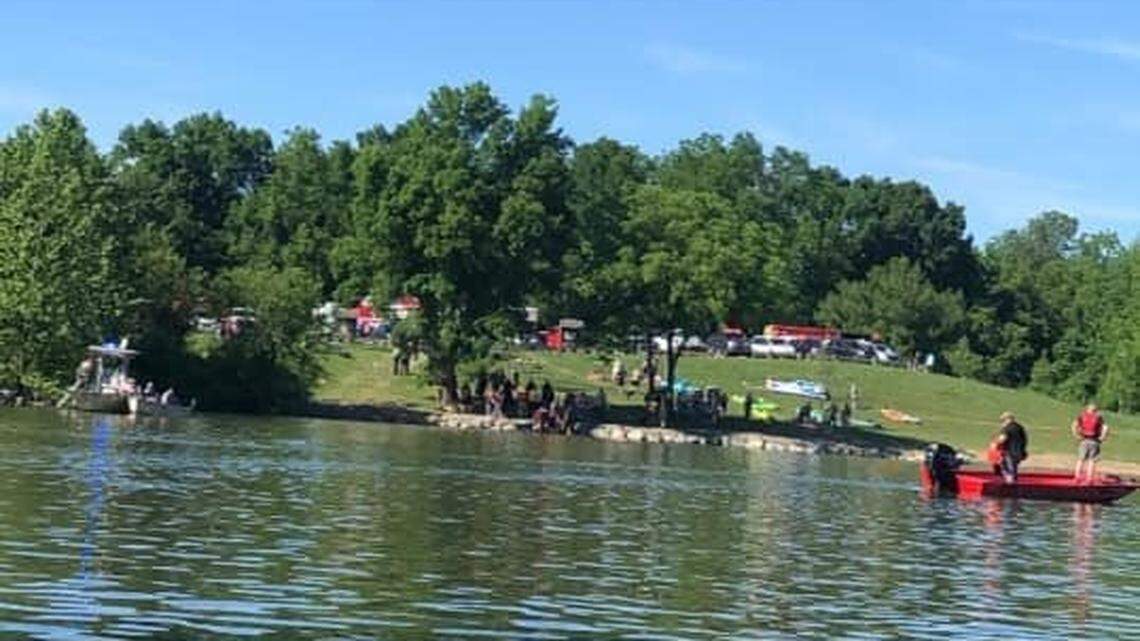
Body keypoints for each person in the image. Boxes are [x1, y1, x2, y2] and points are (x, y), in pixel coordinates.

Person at [1072, 403, 1109, 483]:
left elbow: (1074, 425)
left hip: (1084, 440)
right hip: (1094, 441)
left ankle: (1077, 477)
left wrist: (1076, 435)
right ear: (1095, 410)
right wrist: (1103, 437)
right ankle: (1089, 479)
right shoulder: (1098, 417)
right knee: (1092, 461)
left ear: (1087, 409)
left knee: (1080, 459)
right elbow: (1105, 427)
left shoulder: (1082, 416)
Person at [993, 411, 1028, 483]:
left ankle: (1010, 485)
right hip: (1019, 451)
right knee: (1014, 469)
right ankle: (1013, 483)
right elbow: (1024, 439)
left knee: (1008, 469)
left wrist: (996, 443)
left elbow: (1002, 439)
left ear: (1007, 419)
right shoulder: (1020, 427)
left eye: (1003, 420)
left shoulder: (1007, 428)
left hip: (1009, 451)